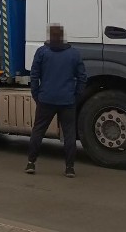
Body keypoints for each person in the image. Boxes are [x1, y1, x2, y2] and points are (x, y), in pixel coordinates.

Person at [25, 24, 87, 178]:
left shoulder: (42, 52)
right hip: (67, 100)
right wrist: (76, 95)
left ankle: (31, 163)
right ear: (62, 36)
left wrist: (36, 95)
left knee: (38, 131)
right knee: (69, 134)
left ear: (50, 36)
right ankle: (70, 168)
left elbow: (34, 75)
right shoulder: (74, 54)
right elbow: (82, 77)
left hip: (46, 99)